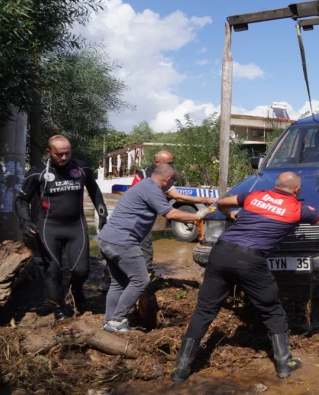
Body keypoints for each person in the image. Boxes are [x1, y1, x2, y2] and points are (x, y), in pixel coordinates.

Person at [170, 171, 319, 382]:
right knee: (272, 309)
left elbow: (223, 201)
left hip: (220, 253)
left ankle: (181, 369)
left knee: (205, 310)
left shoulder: (254, 196)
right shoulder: (297, 208)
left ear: (276, 186)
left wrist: (231, 215)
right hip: (250, 261)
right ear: (297, 189)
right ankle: (284, 365)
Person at [97, 164, 212, 333]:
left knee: (118, 283)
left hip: (107, 239)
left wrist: (203, 202)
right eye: (173, 181)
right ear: (167, 179)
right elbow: (171, 214)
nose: (173, 185)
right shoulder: (152, 190)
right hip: (124, 241)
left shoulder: (145, 185)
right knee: (140, 280)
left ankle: (109, 321)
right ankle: (116, 320)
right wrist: (198, 215)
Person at [15, 135, 109, 321]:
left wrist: (103, 216)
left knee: (81, 271)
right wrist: (25, 221)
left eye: (67, 153)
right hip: (49, 228)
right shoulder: (37, 173)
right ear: (49, 152)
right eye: (59, 154)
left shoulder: (81, 168)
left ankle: (77, 290)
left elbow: (95, 192)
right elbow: (21, 200)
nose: (64, 157)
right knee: (53, 271)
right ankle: (58, 309)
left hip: (76, 226)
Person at [98, 150, 217, 292]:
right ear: (157, 163)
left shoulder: (158, 174)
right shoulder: (148, 176)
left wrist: (205, 200)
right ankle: (139, 286)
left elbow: (177, 196)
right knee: (139, 252)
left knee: (122, 253)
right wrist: (199, 213)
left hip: (136, 222)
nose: (171, 166)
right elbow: (173, 206)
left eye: (172, 163)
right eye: (169, 163)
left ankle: (121, 283)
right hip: (133, 223)